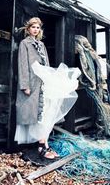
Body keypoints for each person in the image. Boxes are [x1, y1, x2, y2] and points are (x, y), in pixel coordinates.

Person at [14, 17, 79, 159]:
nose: (35, 30)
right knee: (36, 114)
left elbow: (46, 65)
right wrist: (25, 85)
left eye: (38, 28)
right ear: (28, 29)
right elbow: (22, 65)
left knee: (46, 114)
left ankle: (44, 144)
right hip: (32, 83)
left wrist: (50, 80)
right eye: (33, 27)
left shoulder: (41, 45)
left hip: (43, 83)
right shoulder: (25, 44)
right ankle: (41, 146)